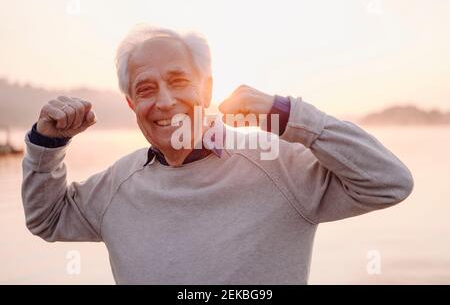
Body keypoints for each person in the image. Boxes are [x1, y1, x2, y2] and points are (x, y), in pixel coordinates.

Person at [21, 25, 414, 284]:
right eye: (146, 89)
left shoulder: (280, 165)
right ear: (130, 103)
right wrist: (47, 144)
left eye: (179, 81)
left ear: (207, 90)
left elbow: (389, 183)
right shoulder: (117, 186)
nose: (165, 101)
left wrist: (288, 113)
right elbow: (46, 219)